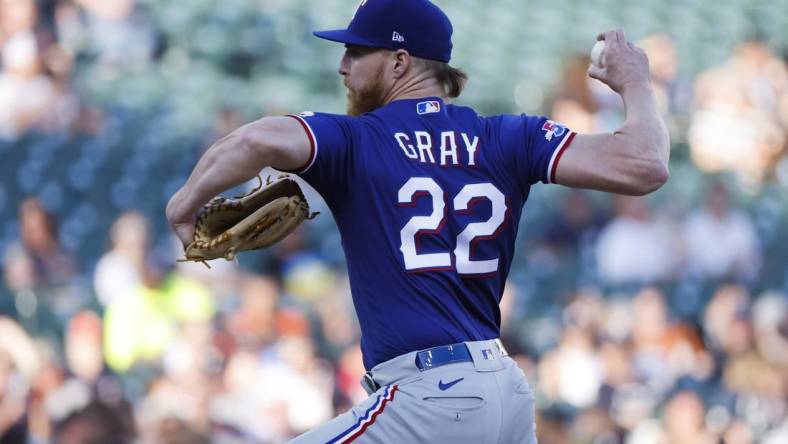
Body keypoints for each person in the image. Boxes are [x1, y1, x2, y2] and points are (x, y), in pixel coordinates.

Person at [165, 0, 669, 441]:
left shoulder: (357, 141)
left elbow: (255, 141)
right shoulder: (507, 137)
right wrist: (637, 83)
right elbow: (645, 164)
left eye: (357, 52)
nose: (343, 66)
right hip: (505, 392)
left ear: (400, 61)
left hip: (431, 397)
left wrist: (184, 206)